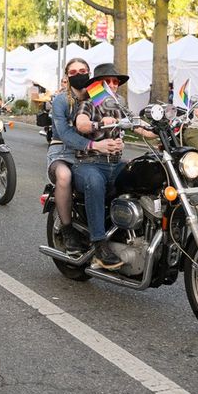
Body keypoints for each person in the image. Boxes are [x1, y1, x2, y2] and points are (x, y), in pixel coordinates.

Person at [71, 63, 132, 270]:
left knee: (142, 174)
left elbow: (139, 125)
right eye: (109, 82)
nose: (114, 85)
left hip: (115, 164)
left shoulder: (119, 107)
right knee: (94, 182)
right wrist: (100, 124)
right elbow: (81, 124)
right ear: (98, 85)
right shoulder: (88, 104)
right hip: (89, 164)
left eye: (116, 82)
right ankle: (99, 244)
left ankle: (129, 229)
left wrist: (164, 128)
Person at [47, 58, 94, 254]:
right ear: (67, 76)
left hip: (91, 154)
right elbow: (64, 133)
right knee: (64, 176)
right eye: (73, 72)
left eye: (82, 70)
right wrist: (93, 144)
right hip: (62, 152)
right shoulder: (61, 100)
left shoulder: (97, 97)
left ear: (89, 72)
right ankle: (67, 229)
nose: (78, 75)